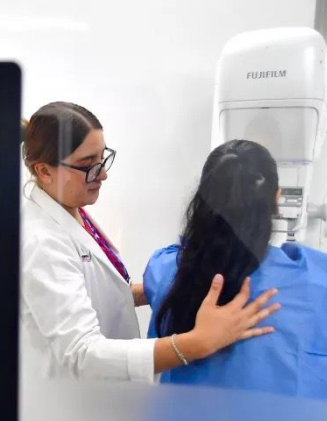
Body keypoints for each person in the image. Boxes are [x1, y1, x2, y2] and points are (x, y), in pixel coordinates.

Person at [19, 102, 280, 395]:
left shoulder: (71, 208)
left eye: (103, 158)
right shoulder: (42, 243)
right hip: (73, 403)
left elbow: (86, 290)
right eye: (88, 165)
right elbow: (82, 353)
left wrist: (161, 286)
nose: (102, 175)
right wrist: (199, 342)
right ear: (44, 171)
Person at [143, 139, 327, 404]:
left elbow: (164, 269)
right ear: (276, 198)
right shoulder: (316, 284)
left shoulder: (167, 270)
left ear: (201, 199)